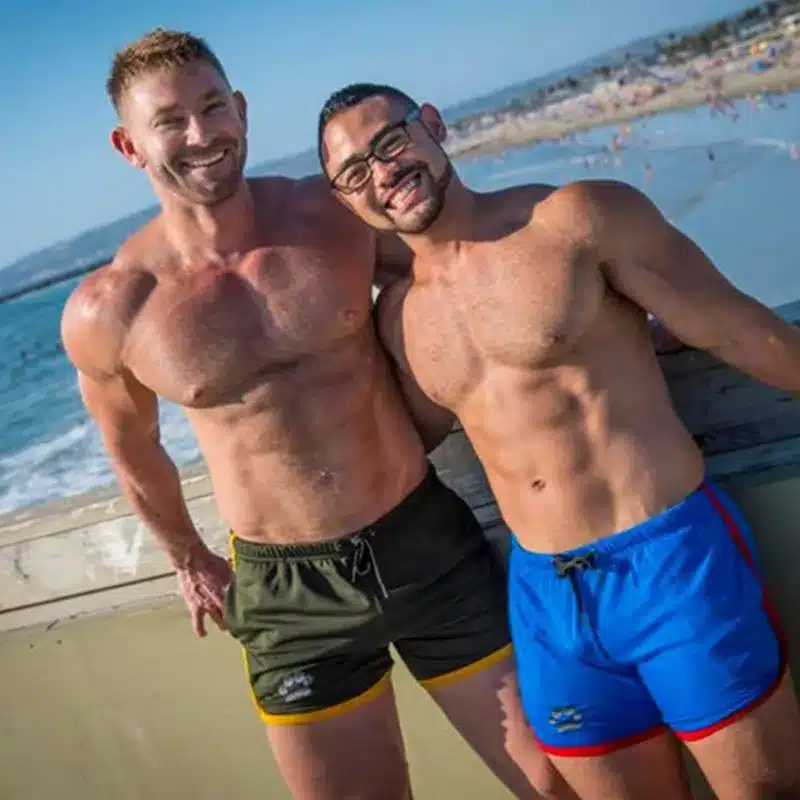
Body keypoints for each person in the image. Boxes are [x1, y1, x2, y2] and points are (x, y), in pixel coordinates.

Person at [60, 30, 573, 800]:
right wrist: (188, 557)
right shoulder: (111, 308)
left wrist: (619, 310)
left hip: (423, 541)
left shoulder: (333, 216)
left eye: (213, 108)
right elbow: (131, 448)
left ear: (241, 110)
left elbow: (463, 270)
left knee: (556, 785)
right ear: (129, 146)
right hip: (286, 598)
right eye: (170, 122)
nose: (201, 135)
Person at [317, 82, 800, 800]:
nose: (383, 172)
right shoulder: (398, 320)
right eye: (355, 172)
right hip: (547, 599)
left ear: (432, 124)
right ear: (346, 201)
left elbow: (736, 329)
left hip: (669, 559)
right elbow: (398, 447)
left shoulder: (576, 218)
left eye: (390, 142)